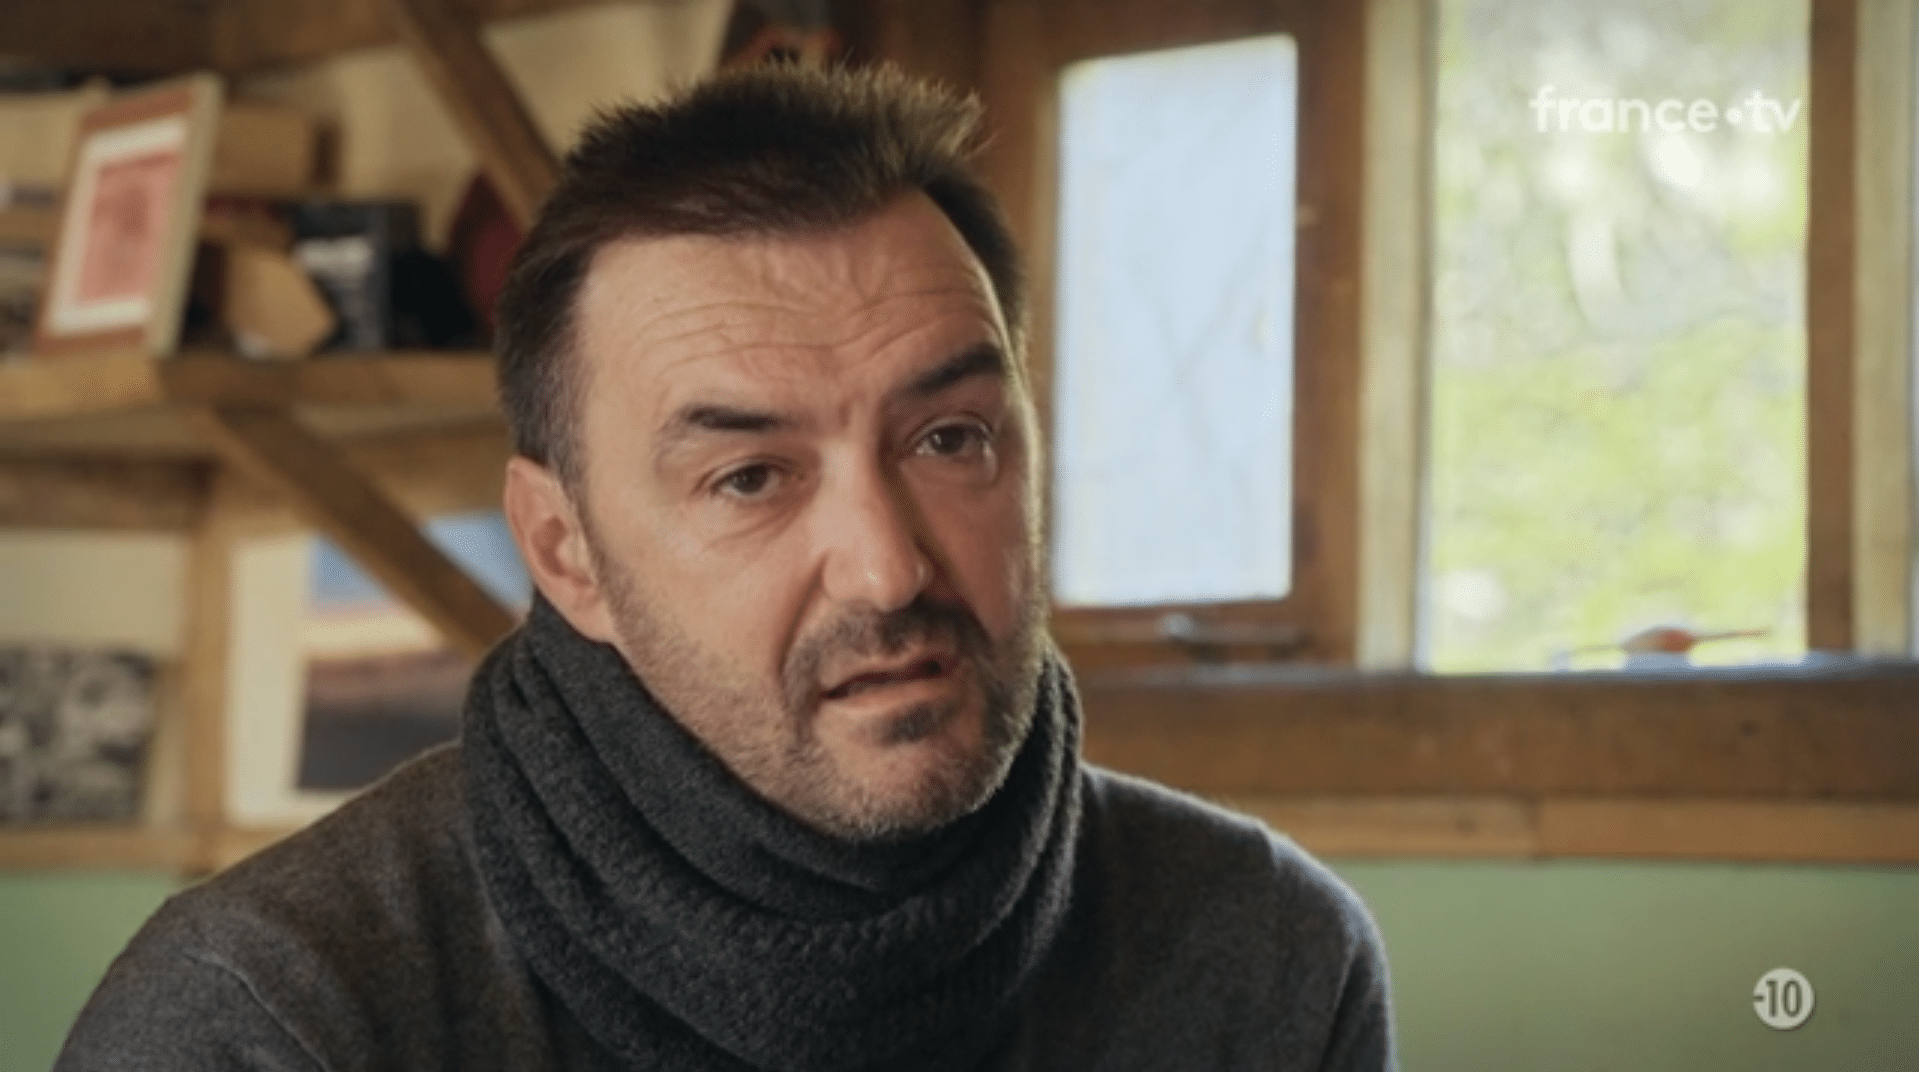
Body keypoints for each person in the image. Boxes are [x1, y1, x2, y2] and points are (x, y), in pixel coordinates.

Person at [57, 64, 1395, 1071]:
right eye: (751, 477)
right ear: (564, 551)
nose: (887, 570)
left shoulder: (1269, 957)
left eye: (949, 438)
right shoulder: (276, 1016)